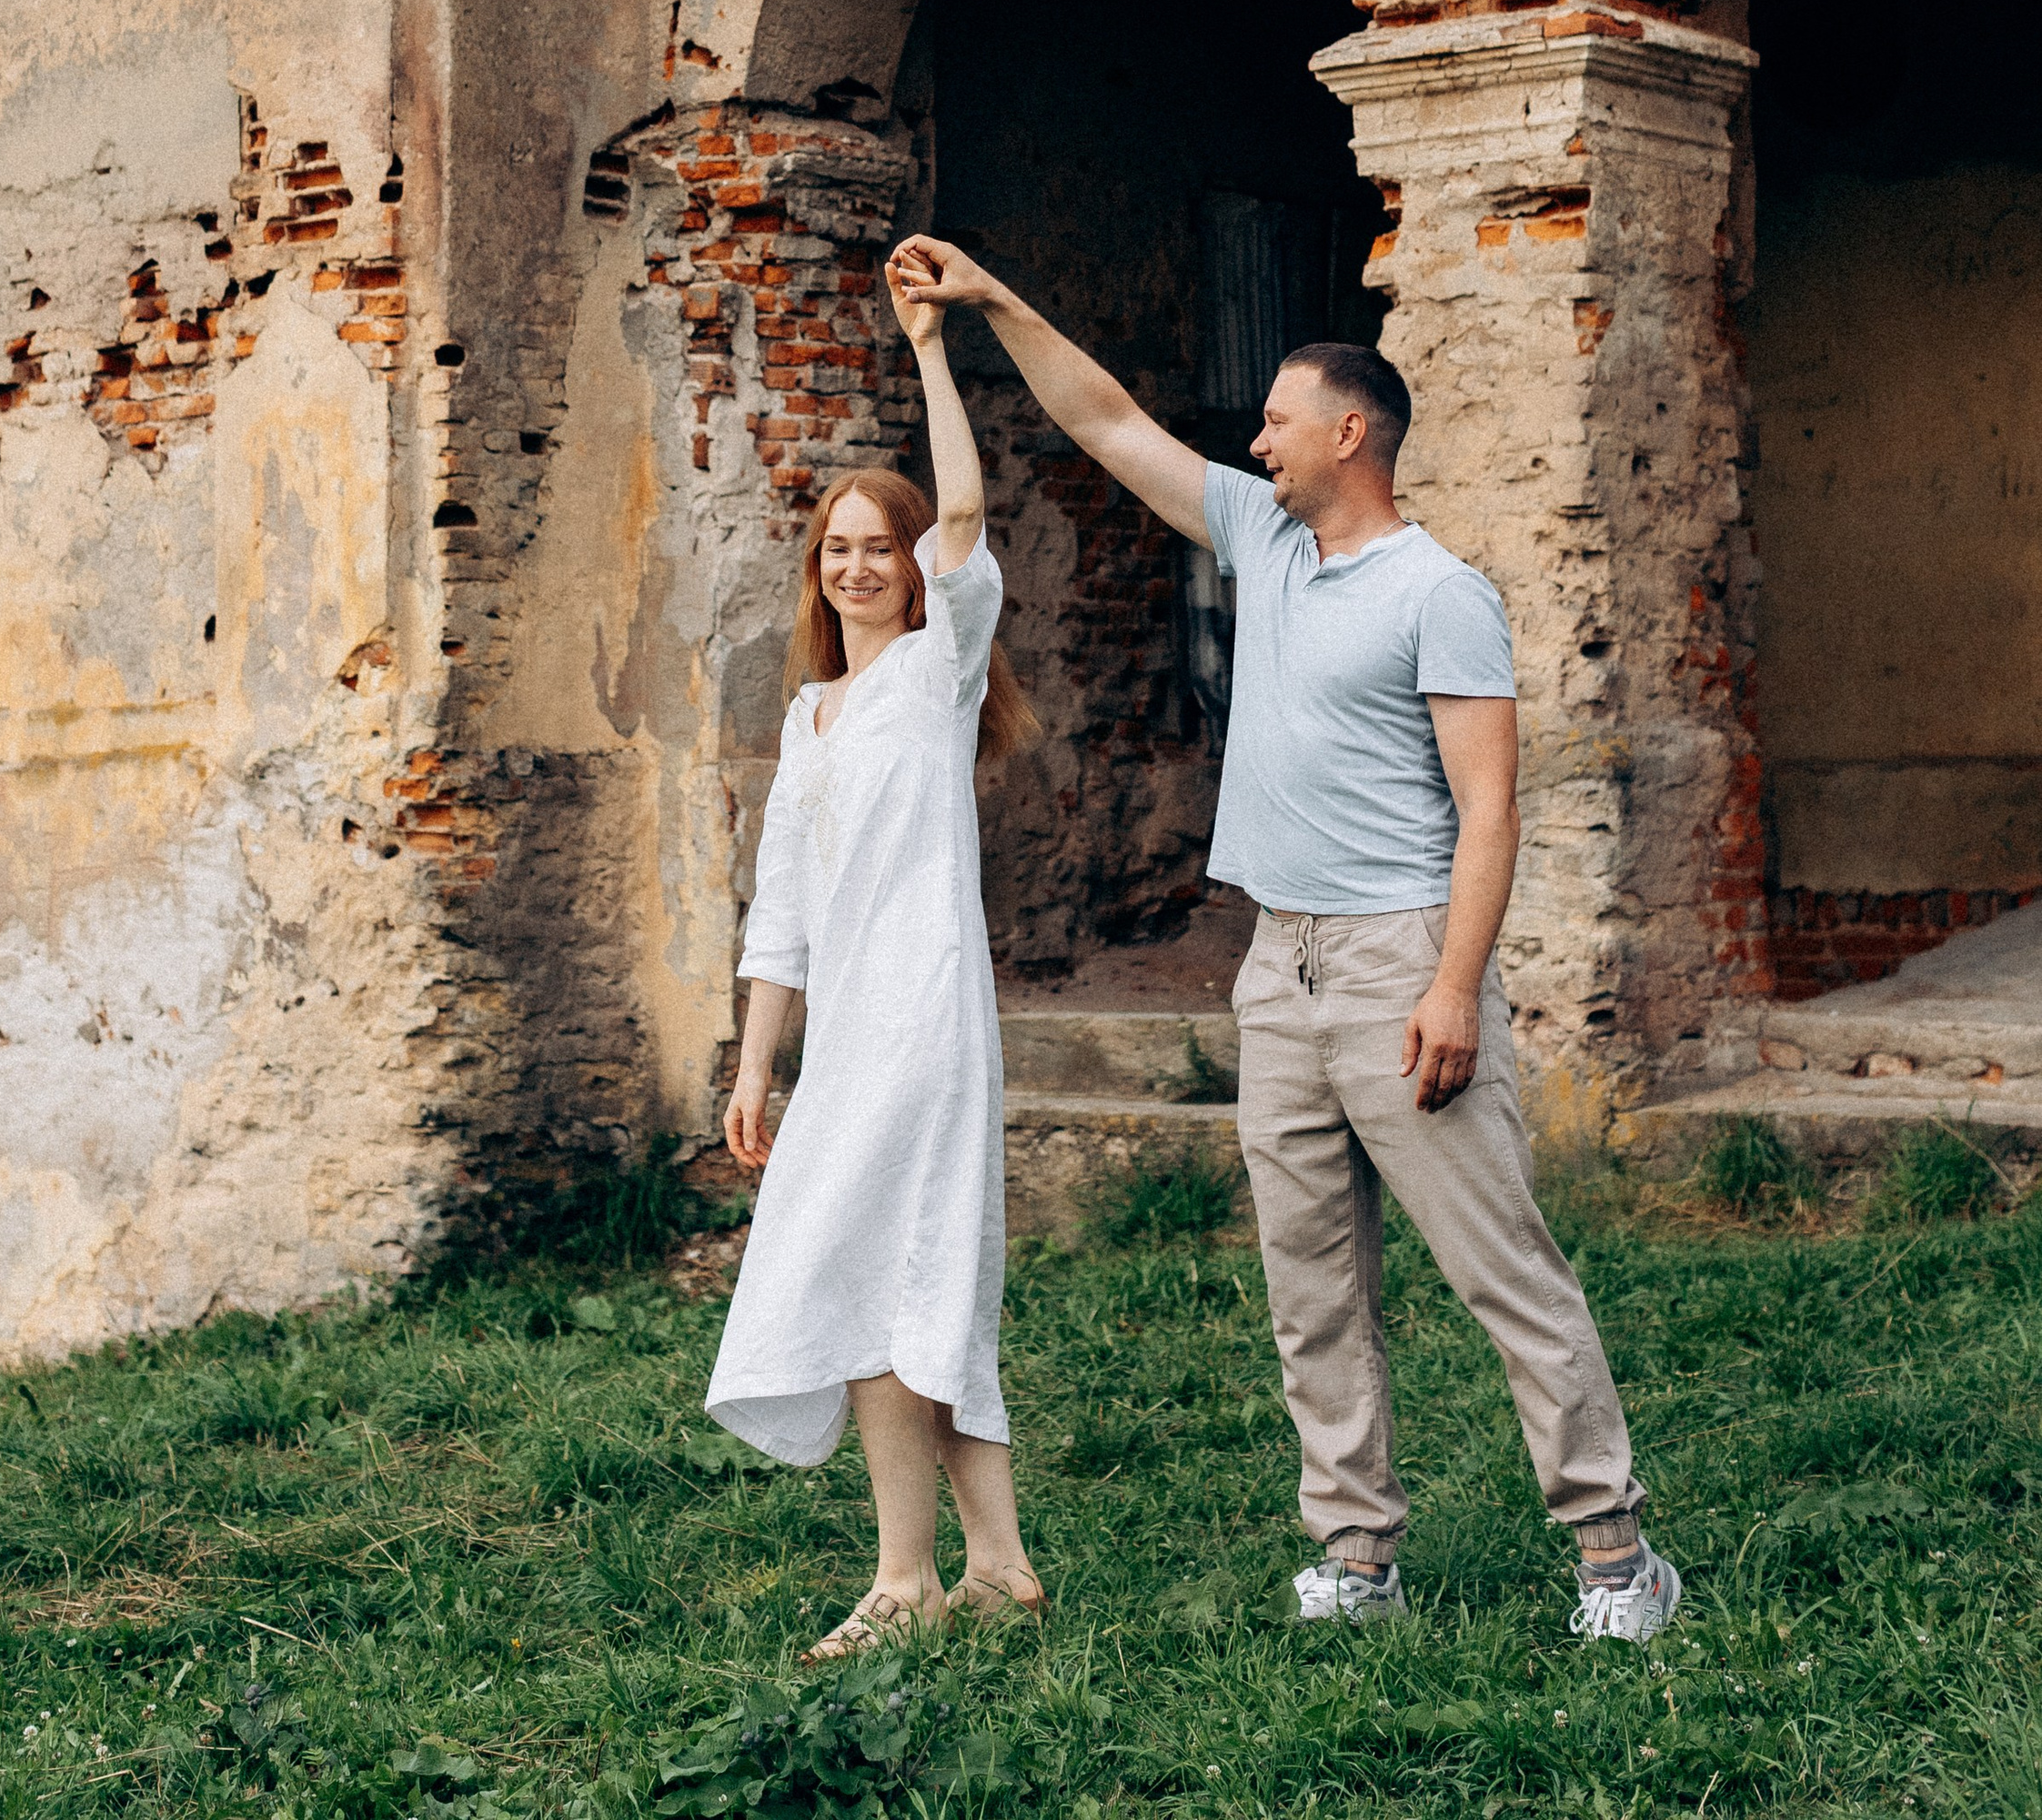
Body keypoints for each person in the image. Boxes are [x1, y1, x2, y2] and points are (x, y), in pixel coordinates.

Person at [886, 235, 1681, 1645]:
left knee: (1502, 1267)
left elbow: (1491, 811)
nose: (1255, 439)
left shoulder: (1443, 592)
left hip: (1398, 962)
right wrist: (996, 299)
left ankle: (1615, 1555)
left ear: (1349, 433)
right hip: (1282, 966)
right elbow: (1106, 420)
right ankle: (1356, 1555)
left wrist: (1452, 986)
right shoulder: (1266, 536)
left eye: (1276, 420)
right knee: (1310, 1288)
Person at [708, 256, 1047, 1657]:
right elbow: (780, 910)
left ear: (913, 567)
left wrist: (929, 347)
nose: (859, 563)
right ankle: (998, 1566)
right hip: (847, 1032)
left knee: (871, 1273)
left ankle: (906, 1583)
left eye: (879, 543)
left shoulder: (934, 669)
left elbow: (964, 506)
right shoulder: (811, 716)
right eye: (836, 545)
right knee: (910, 1281)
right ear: (816, 567)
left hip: (925, 1021)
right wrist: (752, 1067)